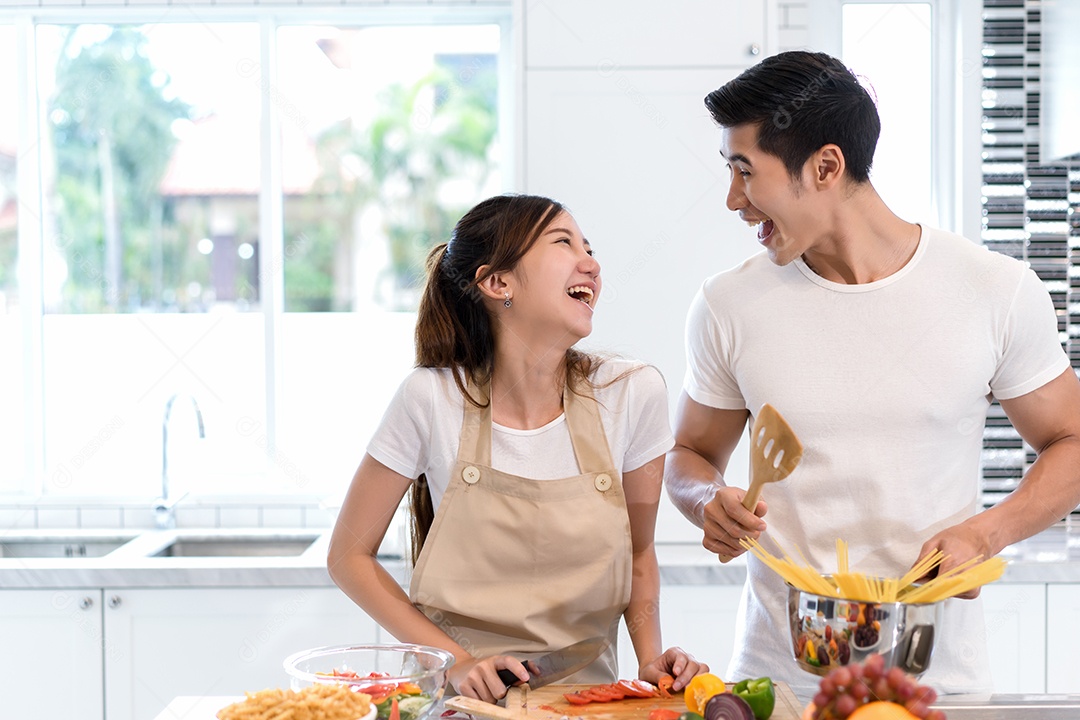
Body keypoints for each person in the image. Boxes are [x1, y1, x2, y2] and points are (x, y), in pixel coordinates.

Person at [665, 50, 1080, 696]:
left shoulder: (993, 290)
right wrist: (703, 500)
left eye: (746, 172)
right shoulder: (728, 306)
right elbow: (688, 454)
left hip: (937, 687)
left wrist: (986, 532)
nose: (732, 200)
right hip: (779, 687)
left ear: (826, 166)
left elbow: (1072, 442)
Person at [329, 194, 707, 703]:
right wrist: (458, 664)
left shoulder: (631, 393)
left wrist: (648, 662)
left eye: (589, 248)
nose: (591, 264)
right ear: (498, 283)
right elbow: (348, 556)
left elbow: (640, 553)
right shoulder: (430, 399)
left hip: (590, 705)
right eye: (563, 243)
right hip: (458, 705)